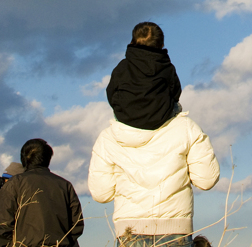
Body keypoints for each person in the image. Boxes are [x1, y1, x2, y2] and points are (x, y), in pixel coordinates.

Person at [89, 23, 220, 247]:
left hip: (129, 232)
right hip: (175, 231)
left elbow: (101, 193)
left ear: (117, 89)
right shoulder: (186, 129)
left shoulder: (109, 138)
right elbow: (206, 180)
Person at [0, 139, 84, 247]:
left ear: (24, 159)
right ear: (48, 158)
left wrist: (14, 244)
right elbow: (76, 225)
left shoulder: (14, 184)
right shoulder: (65, 186)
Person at [106, 21, 182, 130]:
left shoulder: (123, 66)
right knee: (176, 106)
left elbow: (111, 92)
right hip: (160, 118)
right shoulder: (167, 67)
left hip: (126, 118)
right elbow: (175, 93)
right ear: (161, 44)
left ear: (132, 42)